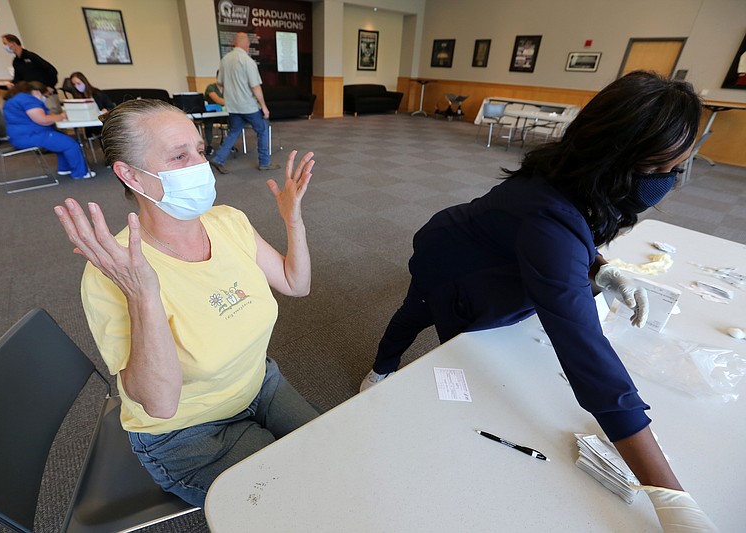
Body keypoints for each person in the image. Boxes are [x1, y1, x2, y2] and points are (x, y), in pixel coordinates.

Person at [360, 71, 717, 531]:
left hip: (495, 259)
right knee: (420, 315)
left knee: (467, 337)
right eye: (662, 170)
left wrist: (599, 265)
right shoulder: (549, 220)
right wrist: (669, 496)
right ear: (618, 156)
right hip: (448, 258)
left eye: (678, 169)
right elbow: (588, 360)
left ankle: (395, 363)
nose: (669, 181)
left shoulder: (573, 176)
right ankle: (382, 367)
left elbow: (574, 231)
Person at [53, 98, 318, 507]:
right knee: (302, 501)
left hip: (259, 383)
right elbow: (159, 403)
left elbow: (294, 283)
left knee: (339, 450)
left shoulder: (227, 220)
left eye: (199, 151)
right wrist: (143, 294)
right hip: (188, 434)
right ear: (131, 176)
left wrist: (292, 218)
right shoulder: (115, 271)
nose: (199, 166)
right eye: (179, 156)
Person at [210, 32, 280, 174]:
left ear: (235, 43)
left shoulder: (225, 60)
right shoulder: (248, 61)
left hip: (233, 106)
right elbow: (255, 87)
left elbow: (220, 83)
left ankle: (218, 159)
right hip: (248, 106)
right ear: (246, 45)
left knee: (234, 132)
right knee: (262, 130)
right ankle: (265, 162)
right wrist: (264, 107)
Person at [3, 81, 94, 179]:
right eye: (45, 96)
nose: (45, 99)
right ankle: (80, 173)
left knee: (61, 140)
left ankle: (64, 169)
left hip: (20, 136)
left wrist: (55, 117)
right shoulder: (28, 100)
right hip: (31, 135)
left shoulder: (14, 100)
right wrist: (62, 116)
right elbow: (42, 120)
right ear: (37, 92)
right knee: (71, 145)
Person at [203, 72, 226, 156]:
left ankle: (227, 144)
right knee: (208, 123)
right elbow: (218, 100)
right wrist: (233, 102)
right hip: (211, 114)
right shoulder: (211, 87)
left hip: (224, 114)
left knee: (234, 121)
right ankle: (209, 145)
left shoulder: (228, 88)